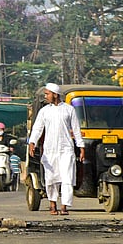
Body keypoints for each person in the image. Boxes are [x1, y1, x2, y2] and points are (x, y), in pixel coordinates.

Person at [28, 82, 85, 216]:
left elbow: (76, 130)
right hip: (50, 150)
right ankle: (52, 204)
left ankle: (64, 206)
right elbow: (37, 128)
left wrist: (81, 147)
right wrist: (32, 142)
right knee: (51, 178)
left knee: (67, 177)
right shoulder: (44, 111)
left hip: (66, 149)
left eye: (47, 94)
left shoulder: (69, 109)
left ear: (55, 94)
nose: (46, 96)